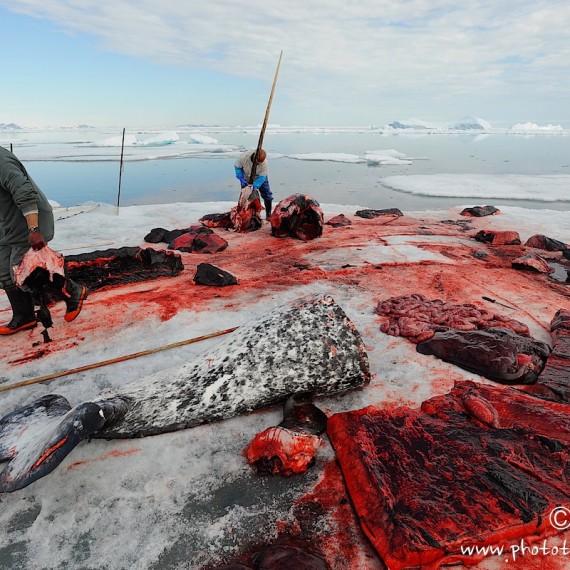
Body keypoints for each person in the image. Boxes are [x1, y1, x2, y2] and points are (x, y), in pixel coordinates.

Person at [0, 145, 87, 335]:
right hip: (7, 224)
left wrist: (33, 228)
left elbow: (23, 189)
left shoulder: (1, 161)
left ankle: (72, 291)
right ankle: (24, 317)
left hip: (29, 221)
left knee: (23, 273)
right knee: (3, 273)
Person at [234, 148, 273, 219]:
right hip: (246, 175)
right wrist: (241, 178)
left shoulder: (264, 164)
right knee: (245, 195)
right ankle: (244, 213)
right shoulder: (244, 157)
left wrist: (255, 186)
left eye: (259, 163)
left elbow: (262, 177)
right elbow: (237, 167)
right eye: (257, 162)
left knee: (267, 194)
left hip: (259, 176)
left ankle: (268, 214)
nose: (258, 164)